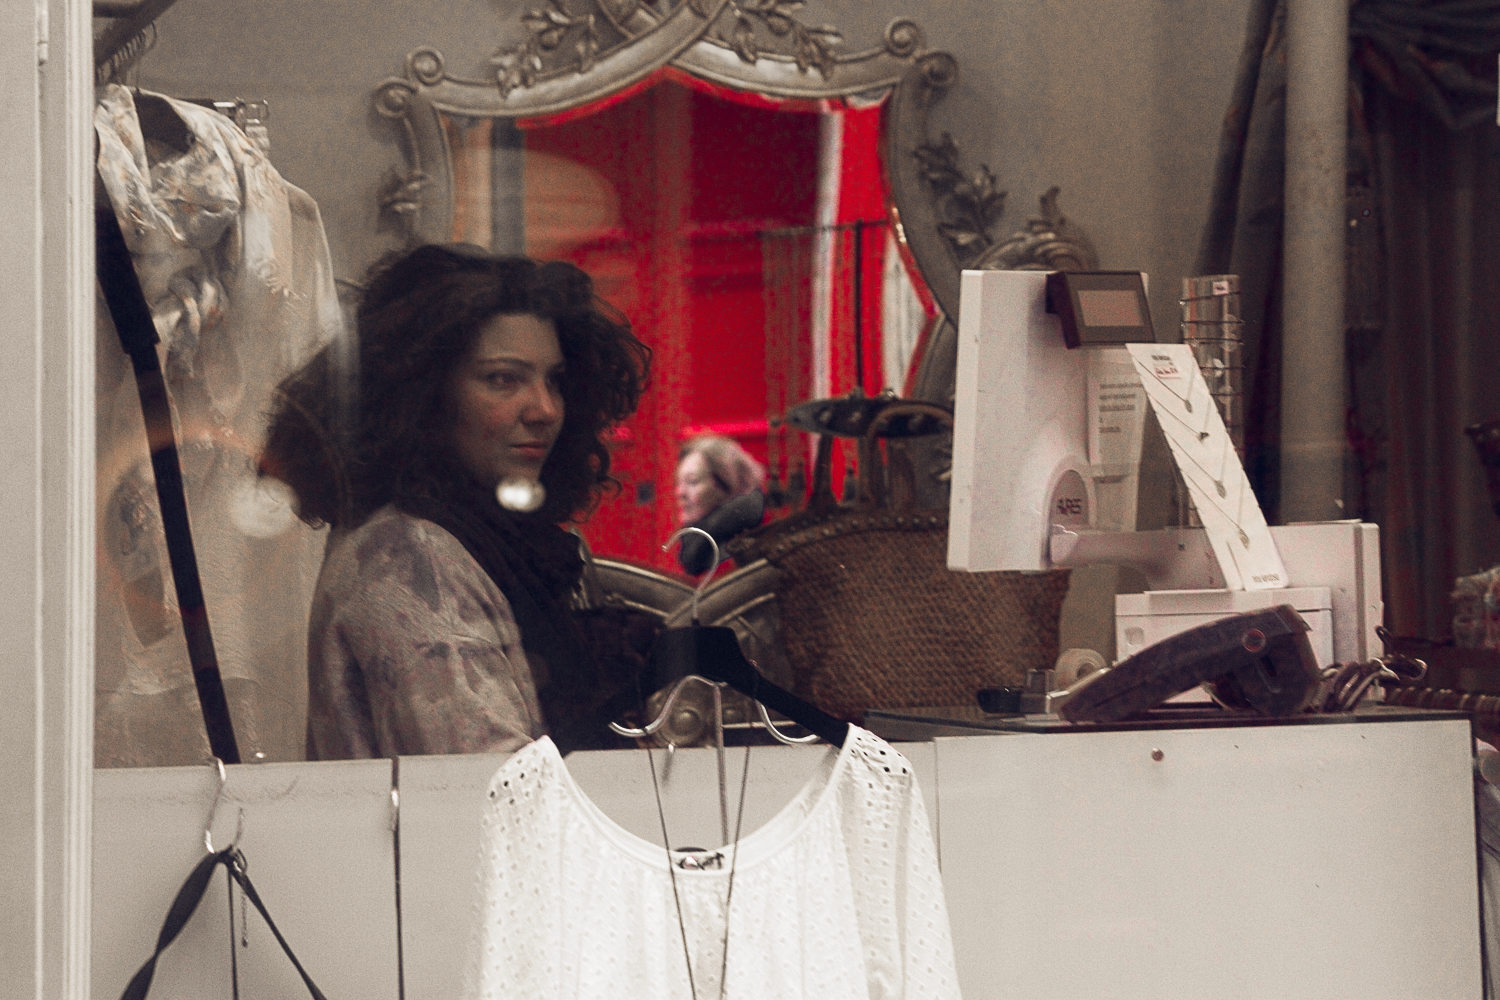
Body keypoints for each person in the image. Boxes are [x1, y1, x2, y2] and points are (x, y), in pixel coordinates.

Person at [260, 243, 652, 759]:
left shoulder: (470, 541)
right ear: (424, 393)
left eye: (554, 381)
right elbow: (492, 785)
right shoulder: (410, 557)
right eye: (503, 379)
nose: (544, 409)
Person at [672, 435, 768, 575]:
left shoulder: (728, 560)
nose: (680, 492)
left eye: (692, 482)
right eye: (679, 482)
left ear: (726, 487)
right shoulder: (705, 548)